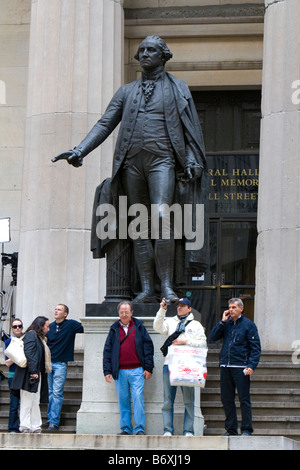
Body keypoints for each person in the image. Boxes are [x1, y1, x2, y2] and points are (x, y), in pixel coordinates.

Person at [52, 35, 208, 303]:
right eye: (142, 50)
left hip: (163, 161)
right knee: (139, 225)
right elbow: (105, 124)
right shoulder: (125, 92)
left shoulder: (178, 88)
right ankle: (147, 288)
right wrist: (80, 150)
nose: (145, 54)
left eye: (152, 50)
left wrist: (193, 159)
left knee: (161, 216)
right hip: (131, 163)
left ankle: (167, 287)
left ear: (163, 56)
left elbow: (190, 129)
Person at [153, 297, 207, 436]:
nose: (180, 308)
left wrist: (185, 341)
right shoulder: (171, 322)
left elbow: (202, 343)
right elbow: (157, 327)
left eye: (183, 306)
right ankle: (167, 430)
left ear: (189, 308)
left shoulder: (196, 325)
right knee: (167, 400)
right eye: (178, 306)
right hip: (170, 364)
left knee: (189, 400)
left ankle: (188, 430)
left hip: (189, 366)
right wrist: (162, 309)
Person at [209, 298, 261, 436]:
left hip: (241, 367)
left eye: (233, 307)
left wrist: (251, 365)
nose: (230, 310)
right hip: (226, 366)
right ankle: (231, 430)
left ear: (241, 308)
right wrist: (222, 322)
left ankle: (246, 429)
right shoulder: (226, 324)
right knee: (226, 399)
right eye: (229, 307)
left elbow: (255, 348)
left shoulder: (249, 325)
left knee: (244, 399)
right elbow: (213, 336)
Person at [103, 301, 154, 435]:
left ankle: (139, 428)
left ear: (132, 312)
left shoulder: (139, 327)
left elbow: (148, 348)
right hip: (119, 371)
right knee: (123, 400)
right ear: (118, 313)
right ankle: (126, 428)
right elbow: (107, 351)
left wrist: (149, 368)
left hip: (137, 370)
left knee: (138, 398)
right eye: (121, 312)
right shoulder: (114, 329)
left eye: (127, 312)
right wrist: (107, 371)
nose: (124, 314)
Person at [45, 303, 84, 431]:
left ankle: (54, 422)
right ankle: (50, 418)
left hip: (61, 364)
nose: (56, 311)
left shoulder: (71, 325)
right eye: (55, 309)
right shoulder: (49, 327)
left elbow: (87, 327)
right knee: (50, 393)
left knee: (56, 393)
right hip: (49, 363)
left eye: (59, 309)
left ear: (65, 314)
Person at [11, 316, 51, 433]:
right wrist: (33, 371)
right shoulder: (31, 335)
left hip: (34, 373)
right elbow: (30, 353)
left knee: (34, 400)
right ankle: (25, 426)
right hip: (28, 374)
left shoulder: (37, 337)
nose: (48, 329)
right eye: (46, 326)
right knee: (27, 400)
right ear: (41, 325)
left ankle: (35, 426)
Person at [4, 318, 24, 432]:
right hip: (13, 375)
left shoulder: (26, 340)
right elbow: (7, 363)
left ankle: (24, 426)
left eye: (19, 326)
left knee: (26, 404)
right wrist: (17, 353)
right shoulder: (8, 342)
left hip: (25, 375)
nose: (17, 328)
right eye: (15, 326)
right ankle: (13, 428)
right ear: (11, 329)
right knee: (14, 404)